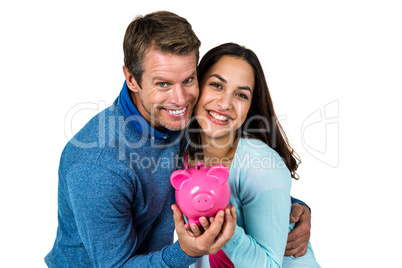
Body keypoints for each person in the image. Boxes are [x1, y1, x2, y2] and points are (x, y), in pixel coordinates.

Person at [45, 11, 312, 267]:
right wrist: (185, 252)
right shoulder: (97, 165)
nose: (180, 99)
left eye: (187, 80)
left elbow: (229, 176)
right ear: (131, 78)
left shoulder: (181, 121)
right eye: (163, 84)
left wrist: (290, 208)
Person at [178, 43, 320, 267]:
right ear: (196, 86)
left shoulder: (262, 165)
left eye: (241, 95)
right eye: (216, 85)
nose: (225, 103)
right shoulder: (178, 153)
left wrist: (225, 231)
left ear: (250, 105)